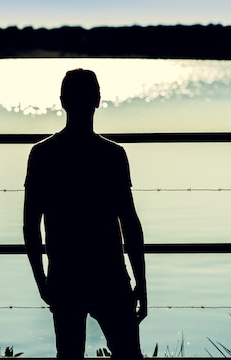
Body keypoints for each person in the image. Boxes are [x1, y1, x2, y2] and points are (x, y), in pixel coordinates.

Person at [23, 68, 147, 359]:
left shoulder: (42, 154)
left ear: (62, 101)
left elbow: (31, 225)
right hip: (110, 274)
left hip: (65, 275)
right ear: (98, 101)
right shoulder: (112, 155)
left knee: (69, 356)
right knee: (129, 355)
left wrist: (42, 281)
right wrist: (141, 282)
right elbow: (130, 223)